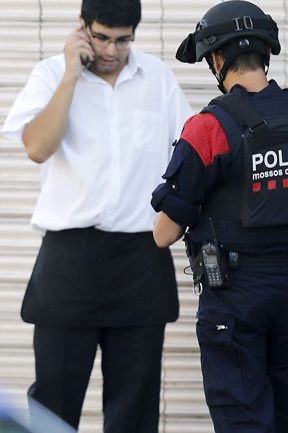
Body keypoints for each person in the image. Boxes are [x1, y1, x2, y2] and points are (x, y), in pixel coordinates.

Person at [151, 2, 288, 432]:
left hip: (237, 296)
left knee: (243, 418)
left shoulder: (209, 126)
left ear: (217, 59)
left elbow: (163, 233)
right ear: (265, 52)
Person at [1, 0, 192, 431]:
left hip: (141, 258)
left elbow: (189, 155)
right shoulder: (51, 74)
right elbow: (37, 148)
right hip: (71, 258)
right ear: (83, 27)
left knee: (135, 407)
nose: (111, 49)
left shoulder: (156, 78)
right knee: (53, 401)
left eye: (122, 40)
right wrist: (71, 74)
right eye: (102, 37)